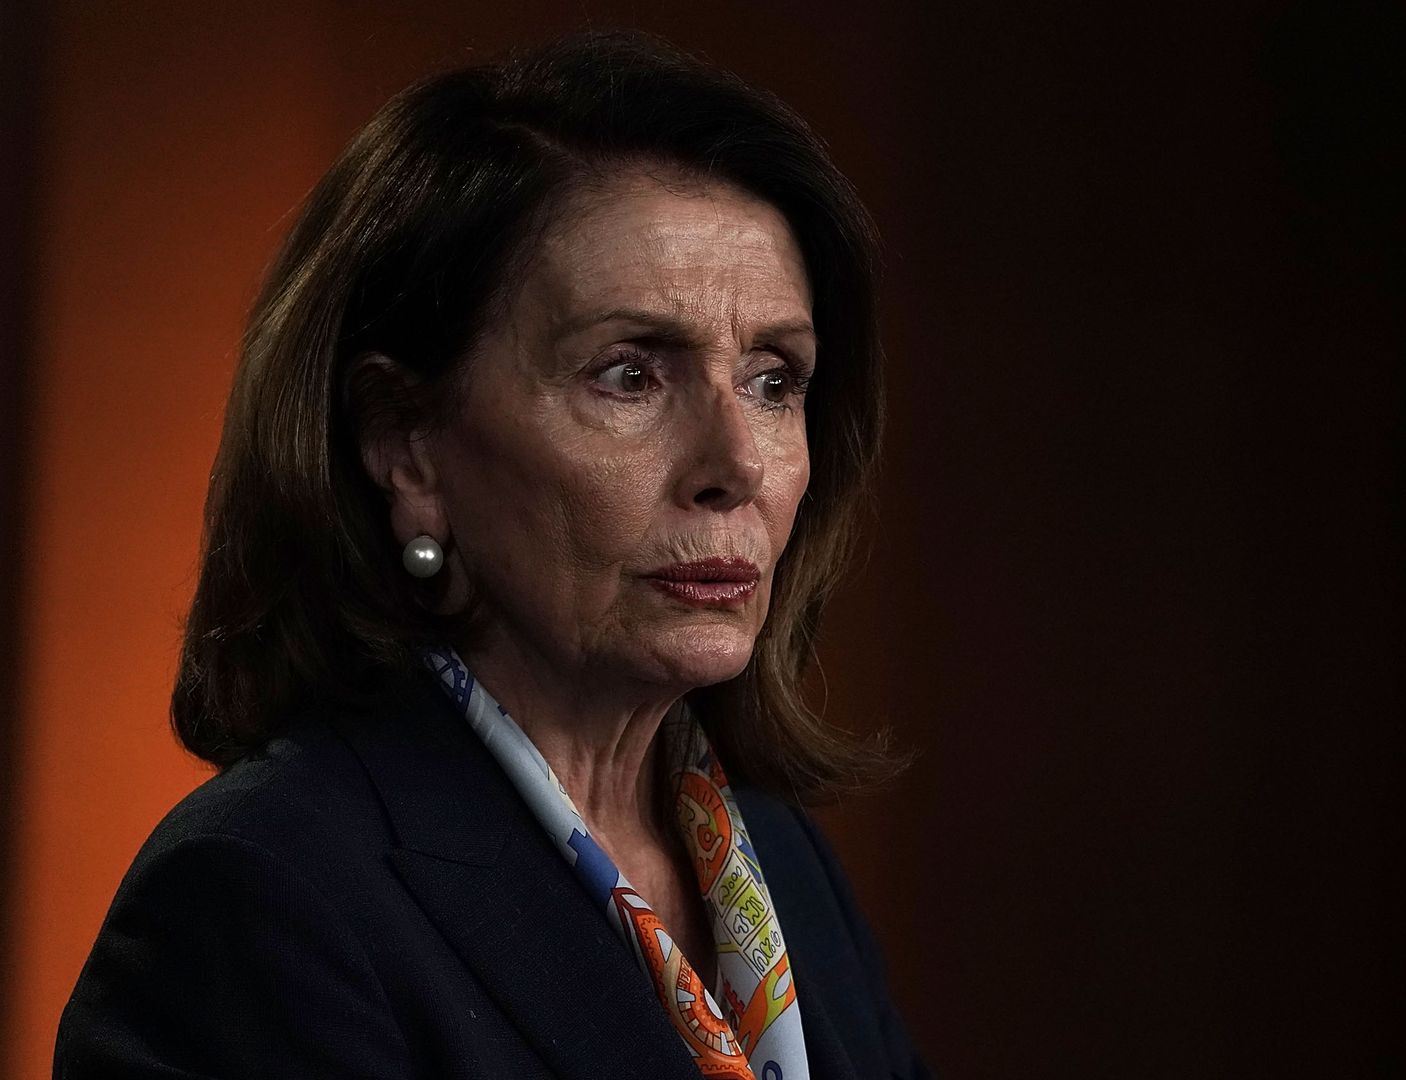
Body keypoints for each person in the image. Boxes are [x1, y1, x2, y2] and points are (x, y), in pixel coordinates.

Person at [54, 30, 927, 1080]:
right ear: (406, 443)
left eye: (774, 379)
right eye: (629, 375)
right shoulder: (260, 898)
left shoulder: (783, 866)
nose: (735, 462)